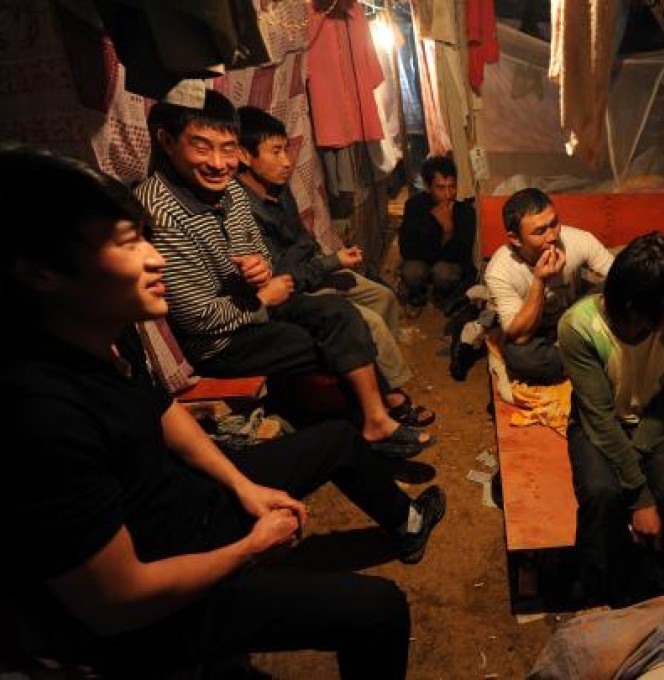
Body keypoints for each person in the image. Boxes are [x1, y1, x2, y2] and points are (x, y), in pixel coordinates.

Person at [0, 144, 445, 678]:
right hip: (157, 603)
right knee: (378, 610)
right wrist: (251, 549)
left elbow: (164, 411)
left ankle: (407, 520)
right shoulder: (42, 413)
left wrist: (242, 486)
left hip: (191, 508)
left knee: (337, 438)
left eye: (145, 236)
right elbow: (116, 603)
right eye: (126, 244)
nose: (154, 257)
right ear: (40, 272)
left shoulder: (110, 333)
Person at [134, 89, 430, 457]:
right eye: (201, 147)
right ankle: (369, 424)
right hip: (224, 341)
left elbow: (261, 254)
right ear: (166, 141)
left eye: (227, 149)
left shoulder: (232, 192)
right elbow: (197, 320)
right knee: (336, 345)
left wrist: (258, 270)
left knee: (339, 314)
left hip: (257, 304)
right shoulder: (160, 210)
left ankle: (377, 416)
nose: (218, 162)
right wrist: (261, 296)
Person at [235, 105, 432, 427]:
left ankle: (373, 380)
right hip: (286, 293)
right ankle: (388, 397)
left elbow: (303, 242)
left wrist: (318, 261)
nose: (286, 161)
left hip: (308, 274)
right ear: (244, 155)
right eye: (275, 152)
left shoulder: (278, 191)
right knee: (370, 322)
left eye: (286, 150)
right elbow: (280, 274)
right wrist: (329, 262)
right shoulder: (240, 207)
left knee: (381, 295)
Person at [558, 232, 664, 607]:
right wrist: (639, 497)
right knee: (601, 493)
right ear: (640, 309)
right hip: (599, 423)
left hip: (656, 418)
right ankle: (599, 591)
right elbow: (600, 418)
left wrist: (637, 463)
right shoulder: (577, 327)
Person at [484, 187, 615, 385]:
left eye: (554, 224)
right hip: (539, 335)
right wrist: (539, 281)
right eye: (540, 231)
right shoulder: (500, 270)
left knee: (617, 285)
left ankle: (581, 356)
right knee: (520, 356)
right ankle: (591, 355)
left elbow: (618, 278)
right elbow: (519, 337)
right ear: (515, 239)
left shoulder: (579, 240)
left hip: (577, 318)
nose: (552, 236)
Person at [397, 154, 477, 313]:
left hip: (446, 263)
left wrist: (448, 229)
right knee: (412, 271)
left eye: (452, 186)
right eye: (440, 187)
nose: (448, 194)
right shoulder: (415, 206)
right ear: (428, 187)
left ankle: (442, 295)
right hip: (422, 260)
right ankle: (418, 295)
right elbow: (407, 249)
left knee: (443, 273)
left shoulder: (464, 210)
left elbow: (462, 253)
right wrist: (433, 229)